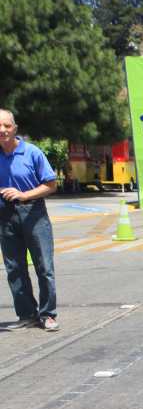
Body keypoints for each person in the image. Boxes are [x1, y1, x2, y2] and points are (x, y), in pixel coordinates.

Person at [0, 108, 59, 331]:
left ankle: (48, 314)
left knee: (44, 267)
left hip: (33, 213)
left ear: (15, 128)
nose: (2, 130)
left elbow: (51, 184)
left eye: (6, 125)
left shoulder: (31, 152)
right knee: (14, 268)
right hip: (5, 216)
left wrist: (24, 195)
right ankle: (26, 314)